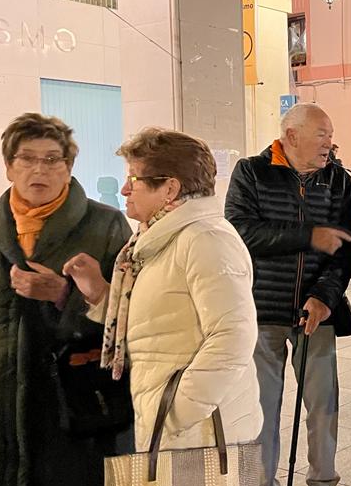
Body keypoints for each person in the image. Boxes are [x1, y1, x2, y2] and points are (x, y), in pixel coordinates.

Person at [69, 128, 264, 454]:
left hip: (199, 434)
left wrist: (177, 412)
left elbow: (233, 336)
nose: (125, 189)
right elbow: (154, 323)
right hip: (167, 424)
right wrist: (100, 295)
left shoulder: (205, 240)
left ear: (169, 188)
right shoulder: (154, 241)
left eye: (135, 179)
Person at [0, 114, 133, 486]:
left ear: (69, 168)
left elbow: (131, 319)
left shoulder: (108, 225)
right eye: (26, 159)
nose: (38, 169)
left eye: (51, 159)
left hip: (76, 401)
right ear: (9, 167)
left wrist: (65, 296)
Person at [225, 103, 351, 486]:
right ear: (292, 135)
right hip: (262, 310)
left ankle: (322, 482)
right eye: (322, 134)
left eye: (331, 136)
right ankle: (261, 484)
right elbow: (240, 232)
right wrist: (307, 235)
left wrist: (323, 297)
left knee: (323, 407)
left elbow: (345, 251)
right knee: (262, 409)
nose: (330, 143)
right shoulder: (251, 172)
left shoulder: (339, 182)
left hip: (315, 314)